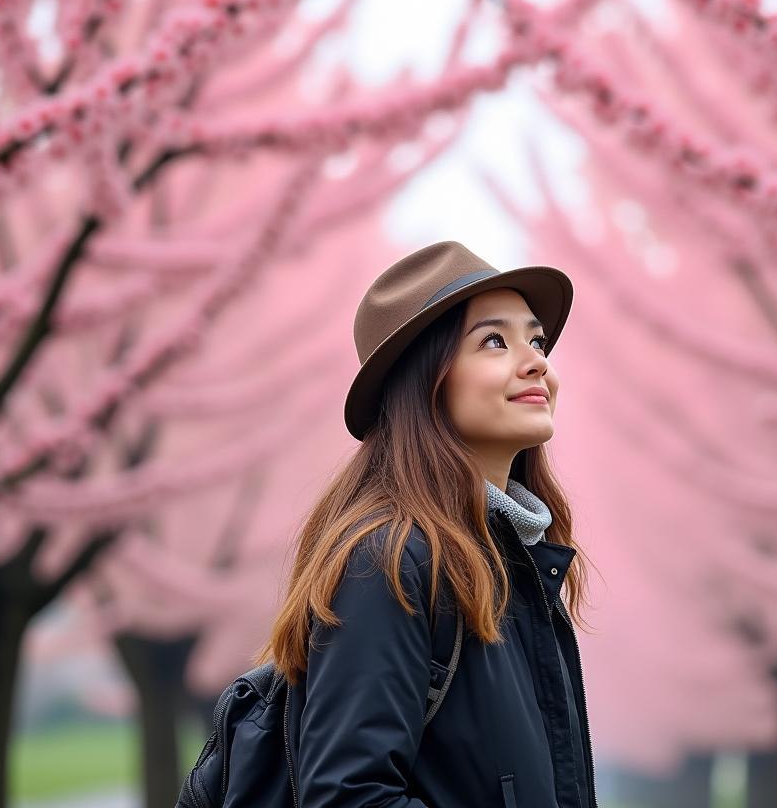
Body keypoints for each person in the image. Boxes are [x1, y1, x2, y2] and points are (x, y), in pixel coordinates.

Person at [254, 239, 598, 808]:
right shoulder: (389, 561)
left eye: (535, 339)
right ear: (427, 380)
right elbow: (350, 798)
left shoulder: (513, 563)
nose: (538, 360)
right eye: (494, 341)